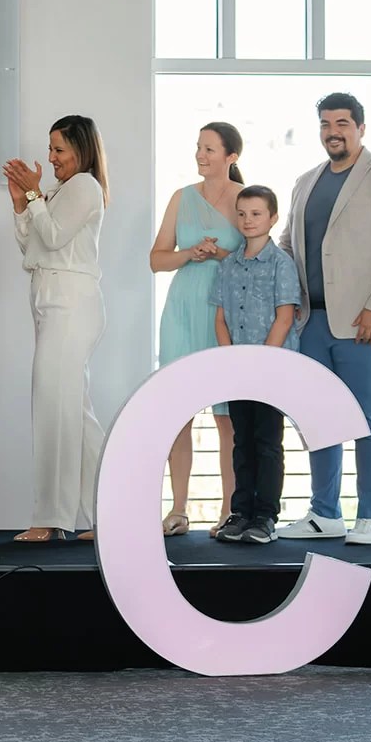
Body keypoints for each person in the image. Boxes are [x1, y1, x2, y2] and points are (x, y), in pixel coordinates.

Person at [276, 92, 371, 545]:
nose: (333, 132)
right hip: (312, 321)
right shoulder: (306, 181)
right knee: (319, 419)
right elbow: (288, 244)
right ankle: (325, 514)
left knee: (365, 418)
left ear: (361, 127)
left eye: (342, 123)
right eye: (326, 124)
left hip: (368, 323)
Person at [4, 115, 109, 542]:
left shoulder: (84, 186)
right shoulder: (62, 190)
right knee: (74, 416)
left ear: (80, 150)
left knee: (54, 411)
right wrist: (22, 202)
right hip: (53, 302)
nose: (51, 158)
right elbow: (31, 245)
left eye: (58, 149)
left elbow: (52, 236)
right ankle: (112, 512)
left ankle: (50, 519)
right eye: (50, 149)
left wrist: (33, 194)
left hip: (70, 304)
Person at [151, 122, 244, 537]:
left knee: (228, 419)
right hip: (182, 311)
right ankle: (178, 509)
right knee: (178, 413)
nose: (200, 155)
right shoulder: (181, 197)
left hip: (225, 313)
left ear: (231, 156)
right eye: (198, 147)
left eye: (209, 149)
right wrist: (190, 252)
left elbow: (256, 259)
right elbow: (156, 259)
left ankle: (229, 510)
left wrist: (221, 253)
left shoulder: (245, 198)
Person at [211, 186, 301, 545]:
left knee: (267, 442)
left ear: (273, 218)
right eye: (242, 214)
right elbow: (221, 318)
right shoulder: (228, 266)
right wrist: (232, 360)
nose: (248, 220)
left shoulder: (281, 264)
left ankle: (265, 517)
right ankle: (240, 513)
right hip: (237, 372)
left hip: (270, 370)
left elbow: (284, 317)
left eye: (256, 214)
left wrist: (260, 364)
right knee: (241, 441)